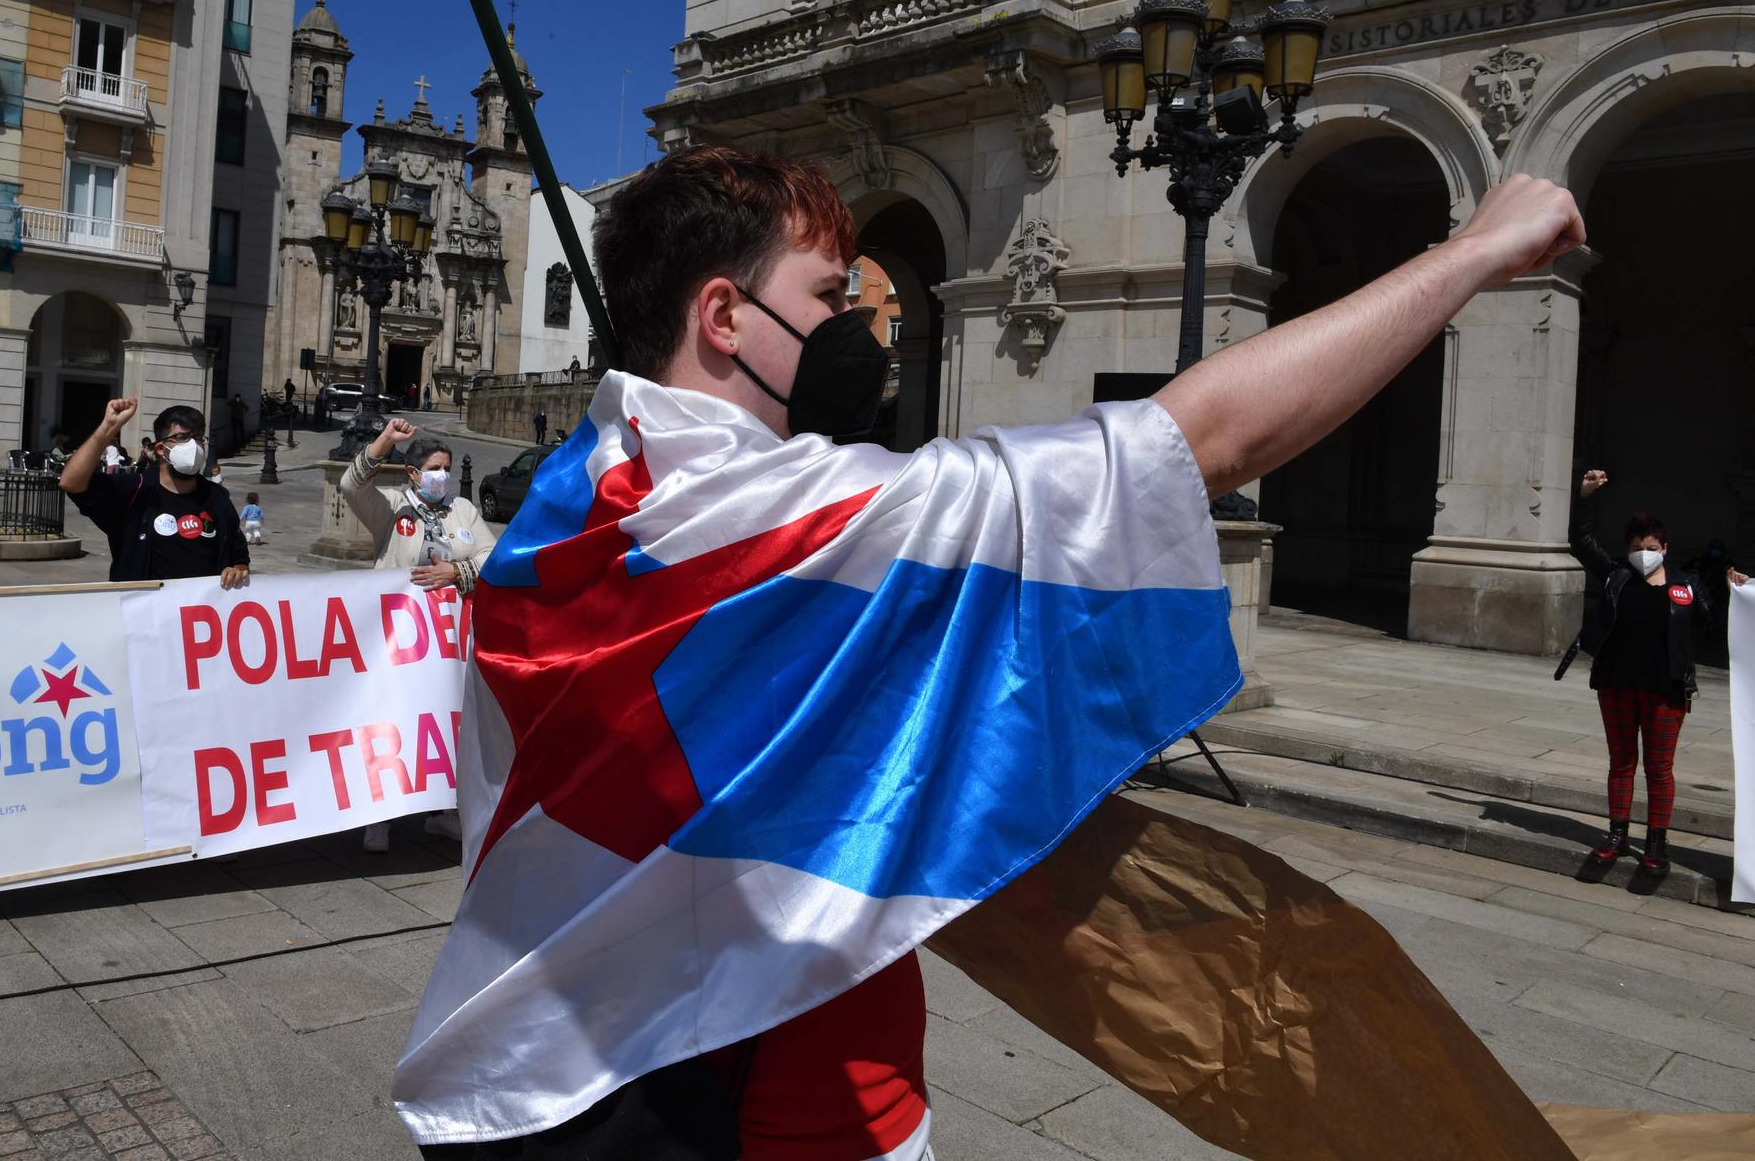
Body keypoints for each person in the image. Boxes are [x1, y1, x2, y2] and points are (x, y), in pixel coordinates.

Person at [392, 147, 1587, 1160]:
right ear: (720, 317)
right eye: (825, 299)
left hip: (517, 1068)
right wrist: (1473, 250)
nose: (859, 330)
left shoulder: (566, 508)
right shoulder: (786, 524)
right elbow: (1196, 441)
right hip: (724, 1080)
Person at [1567, 469, 1746, 875]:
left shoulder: (1687, 584)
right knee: (1621, 762)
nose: (1642, 552)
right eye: (1635, 546)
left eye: (1649, 546)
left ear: (1664, 548)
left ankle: (1656, 844)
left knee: (1660, 770)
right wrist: (1584, 497)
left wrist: (1737, 594)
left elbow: (1714, 629)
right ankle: (1616, 834)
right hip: (1616, 685)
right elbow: (1581, 542)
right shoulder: (1616, 577)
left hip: (1665, 691)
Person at [340, 416, 494, 854]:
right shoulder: (391, 506)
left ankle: (445, 813)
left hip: (449, 643)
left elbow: (491, 555)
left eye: (447, 467)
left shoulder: (462, 511)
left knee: (444, 724)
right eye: (435, 467)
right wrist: (384, 441)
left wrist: (457, 571)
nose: (443, 475)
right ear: (413, 473)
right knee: (392, 721)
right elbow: (351, 487)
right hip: (397, 640)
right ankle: (379, 819)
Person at [59, 399, 250, 589]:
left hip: (199, 614)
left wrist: (238, 570)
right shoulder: (134, 491)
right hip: (145, 613)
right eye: (183, 438)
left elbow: (238, 553)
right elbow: (71, 482)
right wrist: (108, 428)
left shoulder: (217, 497)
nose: (194, 446)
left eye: (199, 438)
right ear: (160, 449)